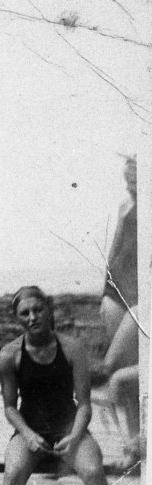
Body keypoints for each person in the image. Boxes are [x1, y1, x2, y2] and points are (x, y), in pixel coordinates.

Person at [0, 286, 116, 485]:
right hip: (30, 430)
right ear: (17, 318)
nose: (32, 317)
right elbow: (9, 407)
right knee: (13, 473)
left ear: (49, 310)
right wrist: (27, 434)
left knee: (94, 471)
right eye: (24, 313)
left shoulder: (73, 349)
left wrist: (74, 437)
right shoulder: (9, 355)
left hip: (69, 428)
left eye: (38, 310)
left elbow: (84, 405)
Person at [98, 155, 141, 467]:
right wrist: (106, 293)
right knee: (119, 368)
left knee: (121, 367)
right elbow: (114, 251)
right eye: (129, 181)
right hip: (117, 292)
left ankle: (142, 440)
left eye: (137, 180)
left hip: (142, 296)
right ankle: (132, 445)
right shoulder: (126, 206)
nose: (132, 187)